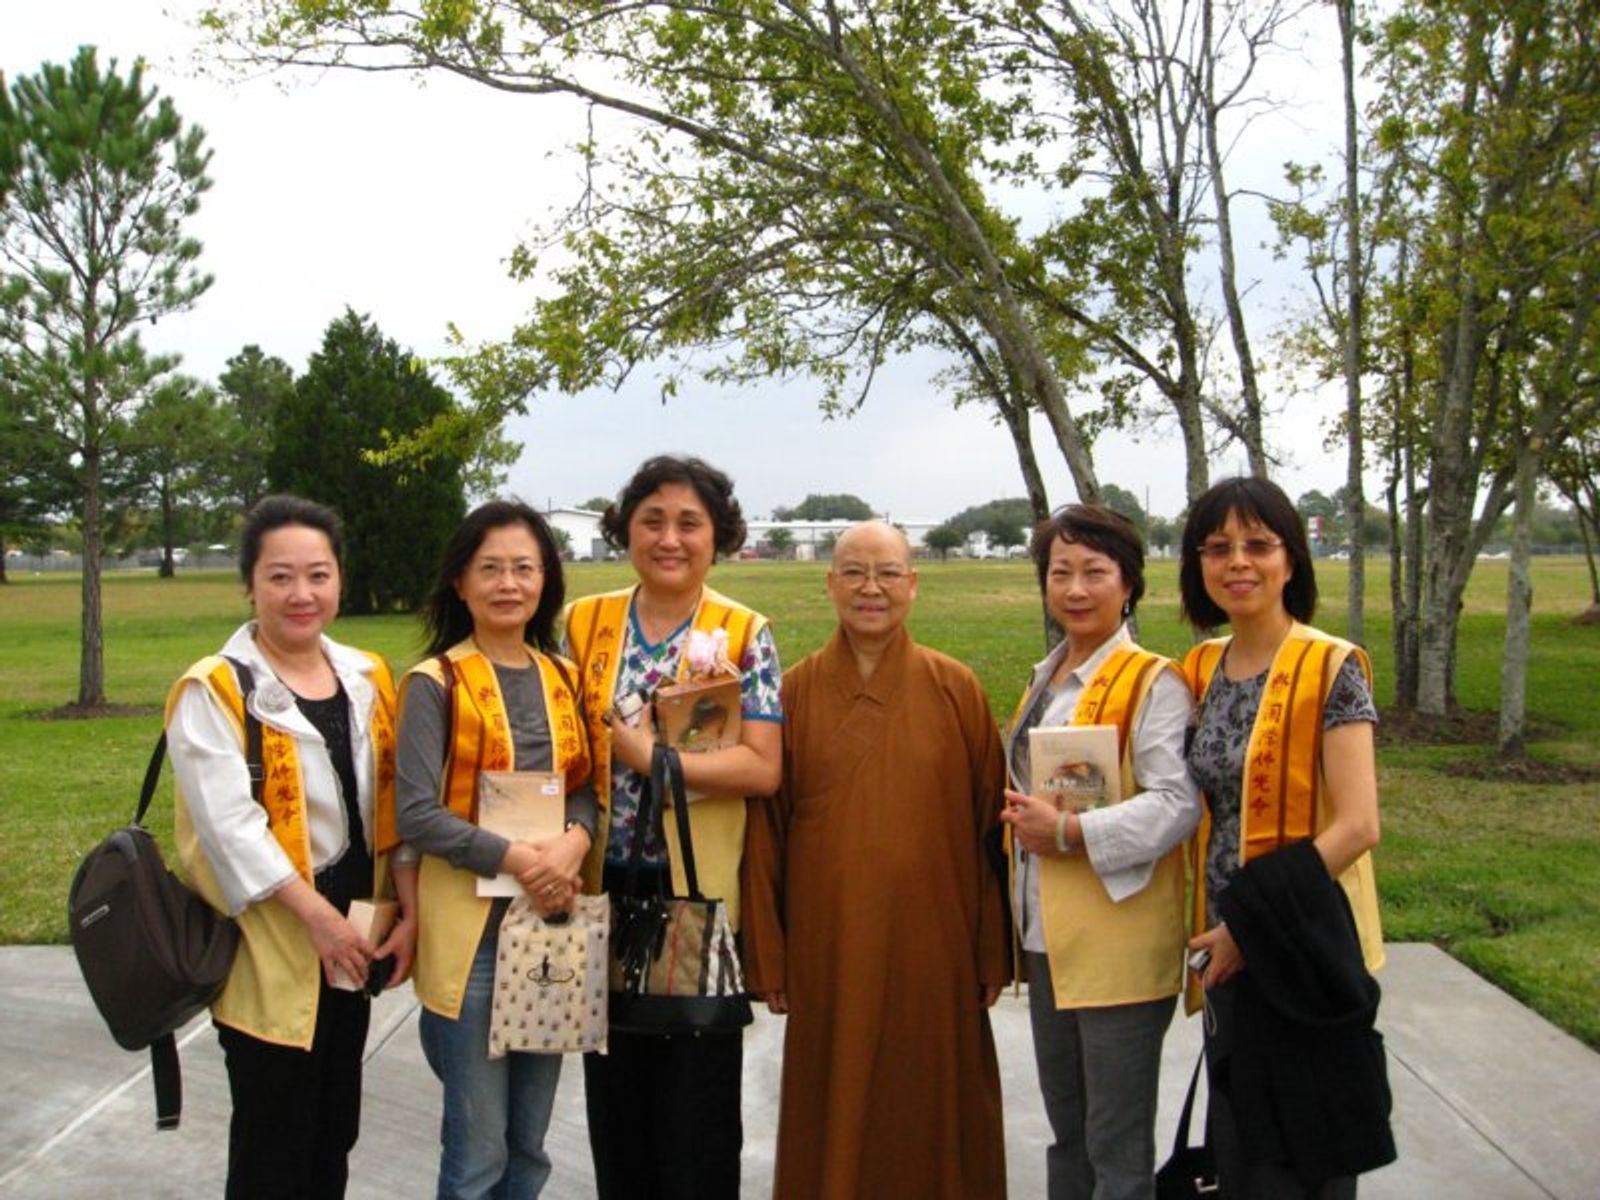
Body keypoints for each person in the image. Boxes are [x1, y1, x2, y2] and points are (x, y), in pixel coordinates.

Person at [743, 519, 1009, 1200]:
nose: (871, 588)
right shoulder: (792, 694)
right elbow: (764, 835)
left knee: (933, 1104)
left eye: (888, 573)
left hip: (937, 947)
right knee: (834, 1103)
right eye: (854, 573)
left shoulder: (956, 689)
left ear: (912, 585)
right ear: (829, 584)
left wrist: (991, 950)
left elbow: (993, 834)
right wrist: (770, 956)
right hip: (827, 947)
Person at [166, 494, 417, 1199]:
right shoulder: (214, 689)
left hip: (355, 939)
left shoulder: (367, 675)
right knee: (273, 1145)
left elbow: (392, 804)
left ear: (340, 580)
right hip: (272, 943)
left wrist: (406, 910)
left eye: (318, 574)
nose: (301, 594)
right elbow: (230, 831)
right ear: (249, 585)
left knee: (333, 1133)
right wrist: (316, 918)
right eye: (280, 577)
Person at [563, 455, 783, 1200]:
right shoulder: (584, 622)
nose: (669, 538)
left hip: (695, 897)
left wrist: (651, 760)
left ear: (717, 536)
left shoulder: (743, 632)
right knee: (615, 1107)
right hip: (600, 890)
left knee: (697, 1116)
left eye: (690, 523)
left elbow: (763, 767)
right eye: (651, 520)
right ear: (625, 528)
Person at [1179, 476, 1395, 1198]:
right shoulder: (1202, 668)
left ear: (1290, 559)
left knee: (1306, 1148)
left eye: (1258, 544)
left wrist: (1252, 926)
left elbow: (1359, 825)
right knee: (1241, 1146)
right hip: (1225, 947)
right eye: (1218, 547)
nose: (1238, 562)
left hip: (1302, 943)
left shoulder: (1331, 666)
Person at [998, 505, 1203, 1200]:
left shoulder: (1153, 682)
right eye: (1060, 573)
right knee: (1068, 1132)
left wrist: (1071, 834)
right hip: (1047, 934)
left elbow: (1177, 803)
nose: (1076, 589)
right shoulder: (1048, 676)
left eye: (1095, 572)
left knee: (1115, 1144)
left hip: (1118, 940)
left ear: (1129, 583)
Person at [394, 500, 597, 1200]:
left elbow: (584, 788)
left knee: (529, 1147)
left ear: (546, 580)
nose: (508, 583)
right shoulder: (435, 683)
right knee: (477, 1151)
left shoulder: (564, 677)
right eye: (490, 569)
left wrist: (574, 842)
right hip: (472, 937)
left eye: (524, 568)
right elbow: (417, 814)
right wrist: (521, 861)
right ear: (460, 582)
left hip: (549, 929)